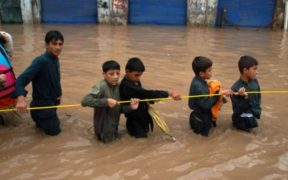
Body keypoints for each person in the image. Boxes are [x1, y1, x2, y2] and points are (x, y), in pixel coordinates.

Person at [15, 30, 64, 136]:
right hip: (43, 109)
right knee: (56, 136)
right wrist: (21, 99)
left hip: (50, 106)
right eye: (54, 44)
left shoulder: (55, 58)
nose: (58, 47)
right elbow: (20, 80)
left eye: (60, 44)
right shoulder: (41, 61)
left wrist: (58, 94)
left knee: (41, 134)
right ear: (46, 45)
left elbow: (54, 79)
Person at [119, 57, 181, 138]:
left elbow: (142, 95)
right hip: (135, 121)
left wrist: (152, 99)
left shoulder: (134, 80)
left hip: (142, 117)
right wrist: (169, 93)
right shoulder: (127, 86)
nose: (138, 78)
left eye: (140, 75)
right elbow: (146, 93)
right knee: (142, 142)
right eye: (136, 75)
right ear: (127, 71)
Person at [81, 60, 139, 143]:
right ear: (104, 74)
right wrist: (106, 102)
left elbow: (120, 108)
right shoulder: (101, 87)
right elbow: (85, 101)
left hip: (113, 127)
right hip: (103, 131)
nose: (115, 77)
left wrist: (131, 107)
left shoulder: (119, 87)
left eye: (118, 73)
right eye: (111, 74)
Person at [188, 56, 231, 137]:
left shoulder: (197, 79)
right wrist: (218, 94)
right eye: (209, 70)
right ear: (201, 73)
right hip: (201, 120)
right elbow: (206, 106)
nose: (211, 72)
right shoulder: (199, 87)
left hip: (197, 115)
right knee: (204, 140)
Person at [230, 56, 261, 132]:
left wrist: (257, 111)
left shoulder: (255, 81)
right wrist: (243, 98)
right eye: (254, 69)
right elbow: (237, 111)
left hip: (253, 115)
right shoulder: (235, 89)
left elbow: (258, 97)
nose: (257, 72)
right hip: (242, 122)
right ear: (245, 70)